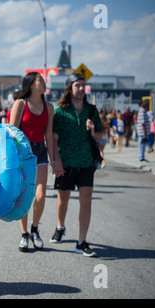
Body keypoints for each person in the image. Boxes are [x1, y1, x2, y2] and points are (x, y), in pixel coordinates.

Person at [8, 72, 63, 252]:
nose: (44, 82)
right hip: (22, 153)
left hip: (40, 152)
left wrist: (54, 159)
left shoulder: (49, 107)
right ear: (31, 84)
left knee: (40, 194)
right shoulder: (20, 104)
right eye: (41, 80)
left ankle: (34, 229)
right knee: (23, 194)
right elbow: (11, 131)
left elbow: (49, 134)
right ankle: (24, 234)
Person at [50, 73, 103, 257]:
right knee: (63, 198)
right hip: (66, 161)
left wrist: (93, 130)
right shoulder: (60, 111)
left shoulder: (91, 110)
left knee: (86, 200)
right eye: (77, 85)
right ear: (69, 88)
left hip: (86, 161)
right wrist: (56, 160)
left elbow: (100, 136)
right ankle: (60, 226)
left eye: (83, 85)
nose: (81, 88)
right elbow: (54, 138)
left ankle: (81, 242)